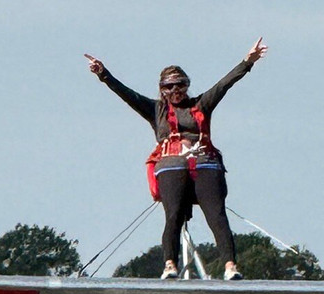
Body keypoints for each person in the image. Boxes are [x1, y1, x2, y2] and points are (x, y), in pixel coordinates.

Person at [86, 39, 268, 280]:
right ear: (162, 89)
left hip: (204, 161)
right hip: (171, 165)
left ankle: (229, 266)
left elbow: (224, 84)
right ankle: (170, 264)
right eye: (169, 87)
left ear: (187, 85)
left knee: (216, 214)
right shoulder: (156, 110)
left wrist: (248, 61)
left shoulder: (201, 103)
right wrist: (103, 74)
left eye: (180, 86)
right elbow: (126, 94)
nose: (175, 92)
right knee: (174, 214)